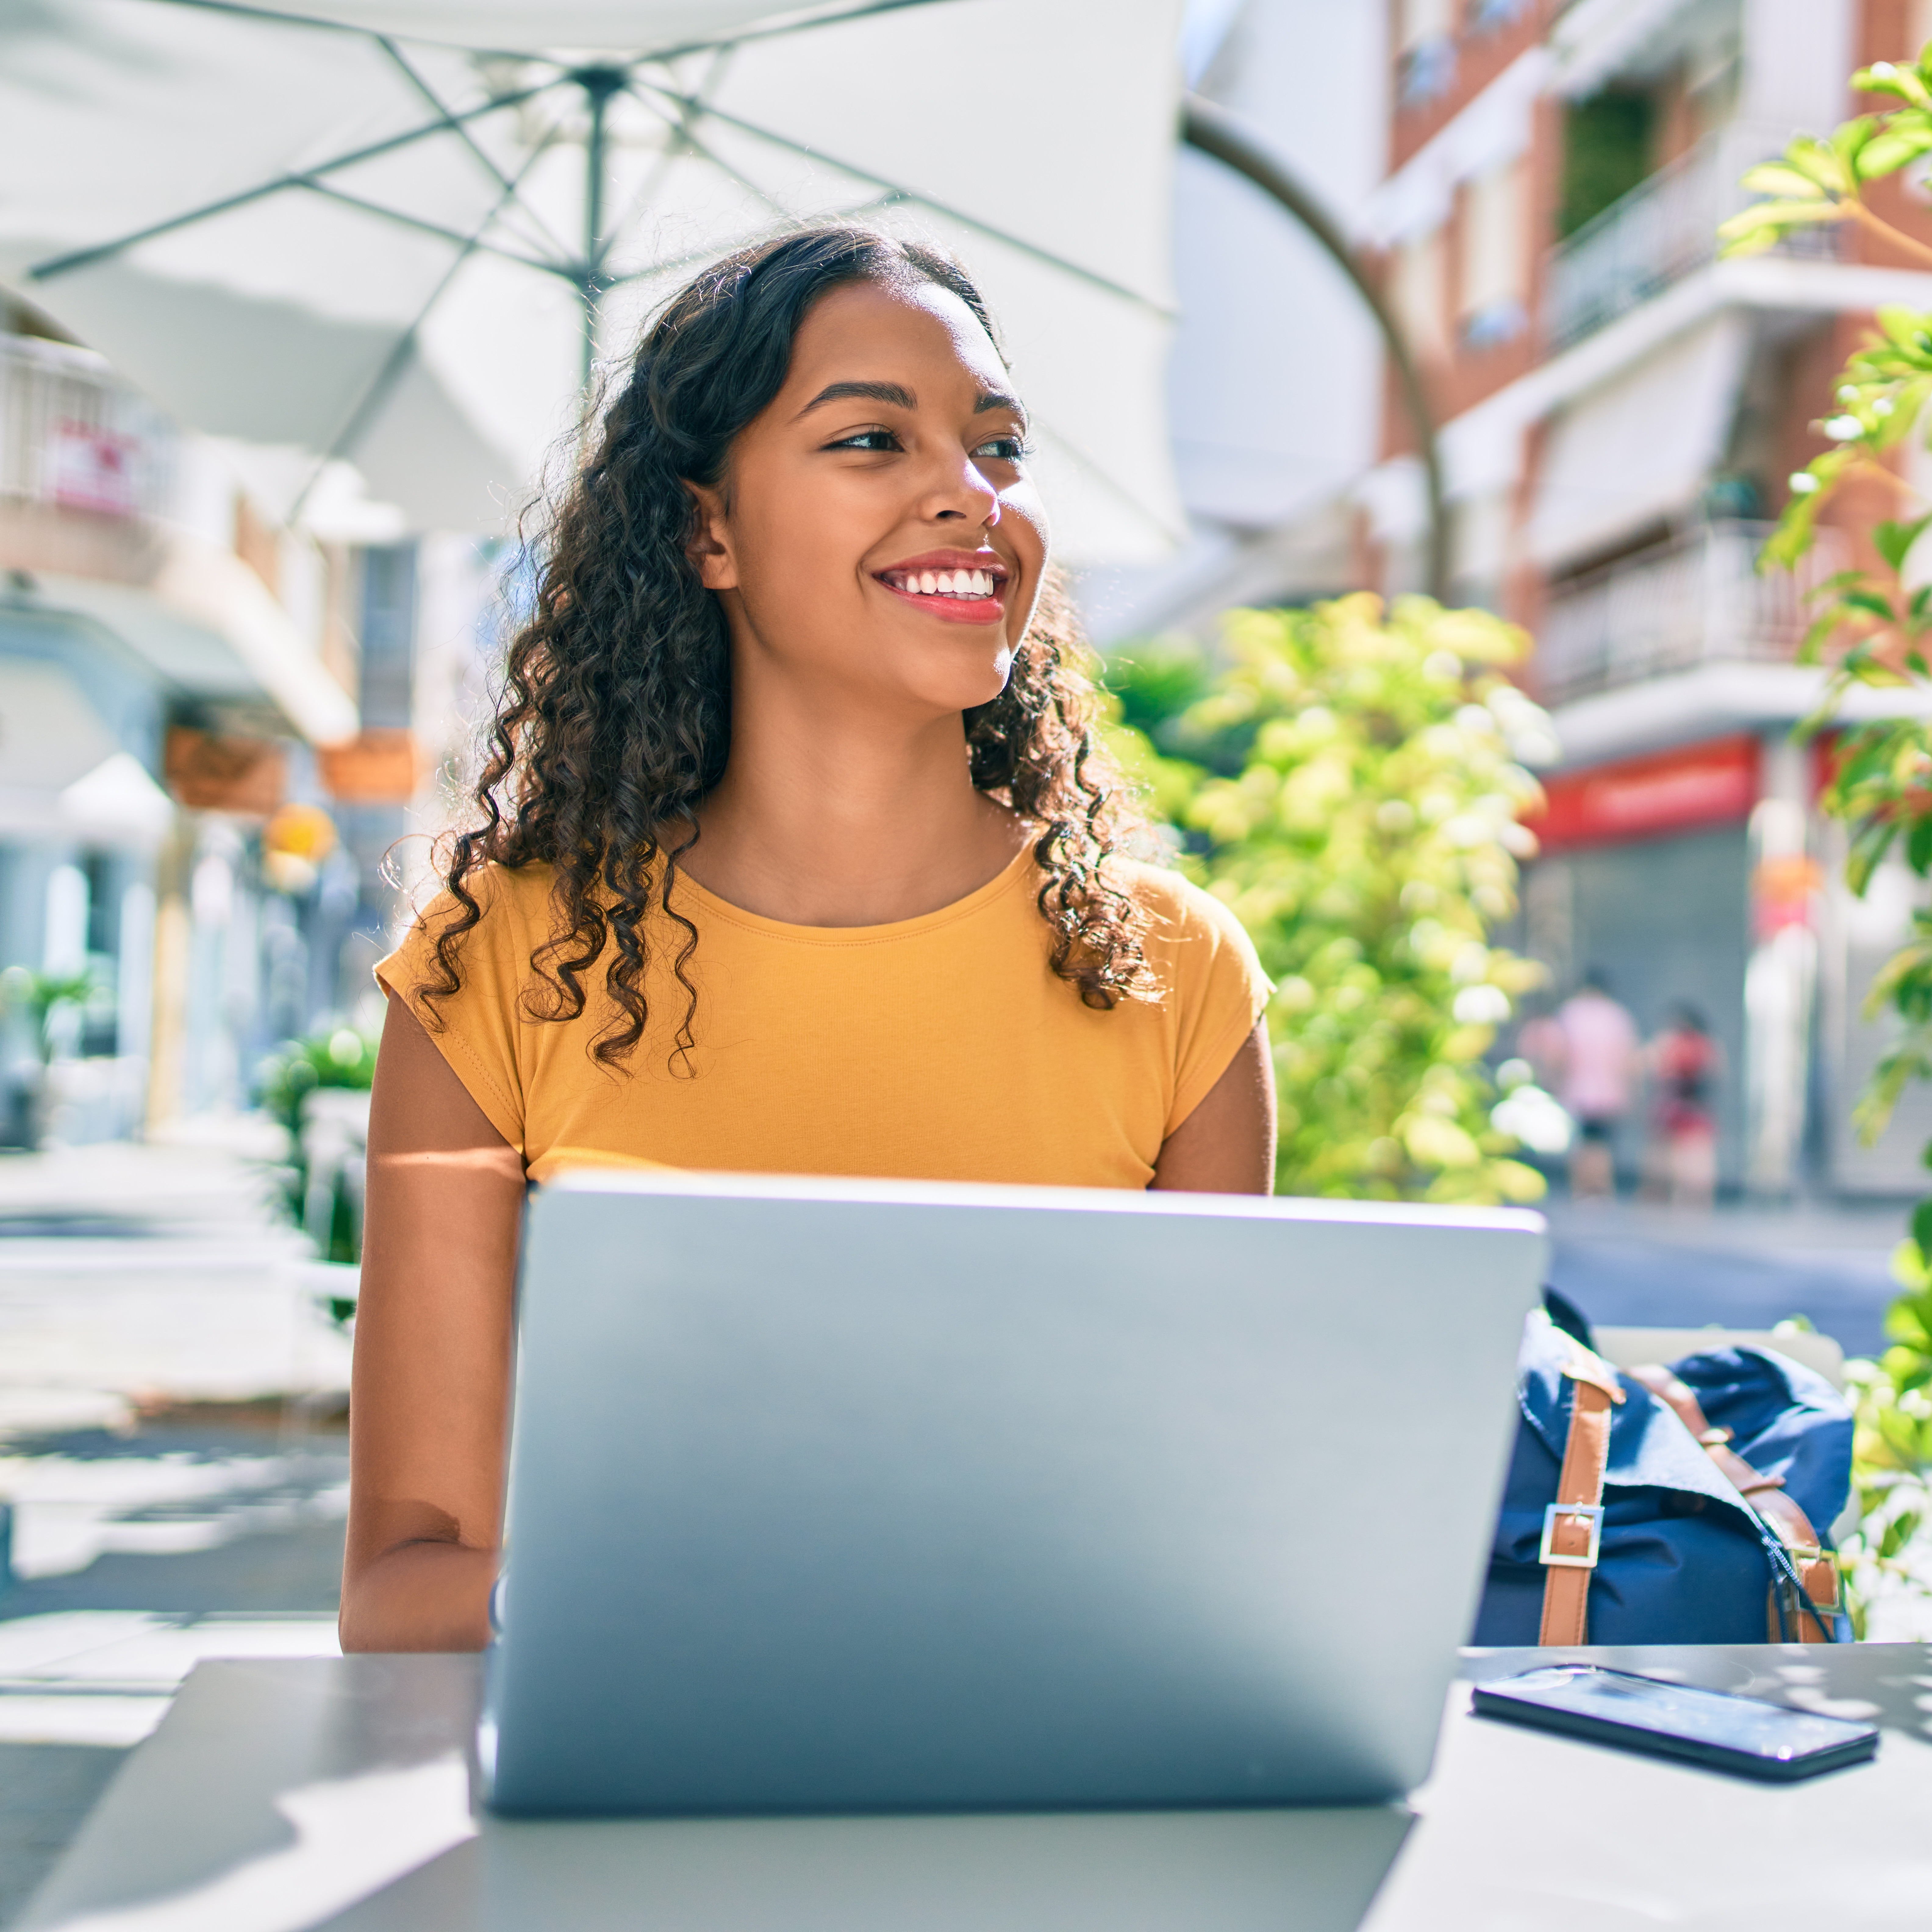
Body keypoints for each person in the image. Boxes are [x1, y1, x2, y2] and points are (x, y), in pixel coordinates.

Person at [341, 228, 1277, 1653]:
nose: (970, 496)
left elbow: (1209, 1544)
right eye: (868, 440)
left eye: (998, 447)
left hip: (1033, 1791)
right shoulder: (492, 971)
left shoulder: (1172, 974)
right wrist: (734, 1590)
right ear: (704, 531)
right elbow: (404, 1585)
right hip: (631, 1808)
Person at [1548, 970, 1639, 1200]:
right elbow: (1627, 1057)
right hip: (1609, 1092)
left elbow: (1559, 1053)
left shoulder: (1571, 1013)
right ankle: (1601, 1190)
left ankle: (1581, 1190)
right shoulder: (1617, 1016)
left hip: (1578, 1089)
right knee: (1602, 1144)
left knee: (1582, 1142)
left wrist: (1555, 1081)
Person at [1644, 1004, 1722, 1209]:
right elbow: (1715, 1074)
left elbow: (1656, 1068)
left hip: (1675, 1107)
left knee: (1666, 1159)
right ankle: (1695, 1202)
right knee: (1694, 1159)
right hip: (1694, 1107)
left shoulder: (1671, 1044)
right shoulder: (1706, 1047)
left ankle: (1667, 1201)